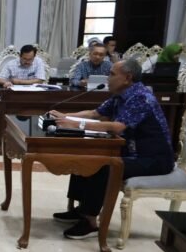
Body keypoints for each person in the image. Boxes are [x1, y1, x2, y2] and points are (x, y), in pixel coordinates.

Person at [51, 59, 174, 239]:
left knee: (103, 166)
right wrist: (65, 116)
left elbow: (118, 127)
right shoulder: (120, 94)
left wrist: (77, 124)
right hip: (130, 152)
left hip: (152, 159)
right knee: (85, 156)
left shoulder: (141, 97)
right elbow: (96, 113)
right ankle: (81, 210)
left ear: (127, 78)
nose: (108, 78)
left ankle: (90, 221)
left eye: (112, 74)